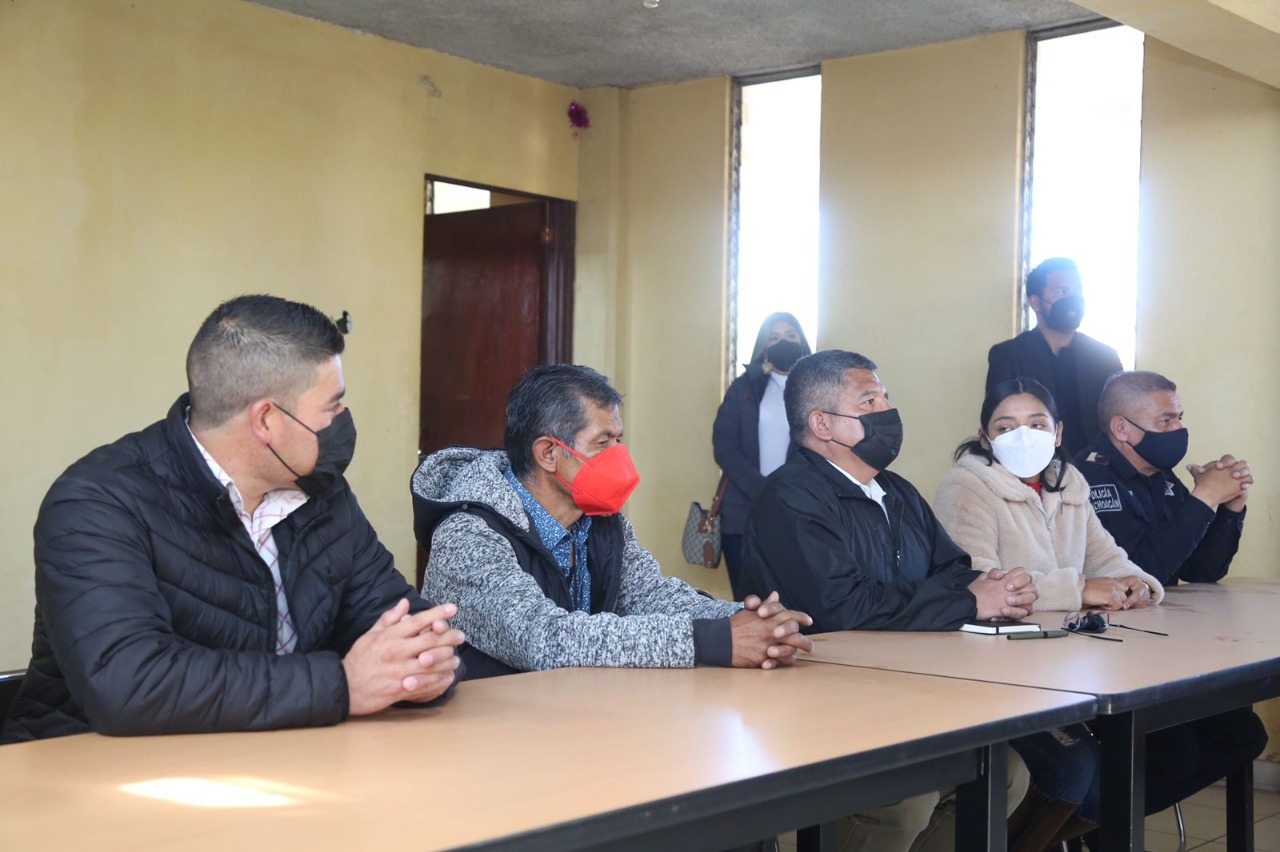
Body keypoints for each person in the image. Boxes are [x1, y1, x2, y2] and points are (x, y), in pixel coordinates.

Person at [2, 295, 464, 743]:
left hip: (283, 757)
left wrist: (425, 666)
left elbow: (403, 625)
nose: (343, 418)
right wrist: (342, 685)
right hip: (87, 769)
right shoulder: (97, 501)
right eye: (332, 405)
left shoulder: (322, 494)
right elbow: (126, 683)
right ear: (267, 421)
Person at [739, 350, 1038, 852]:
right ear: (822, 424)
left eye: (886, 398)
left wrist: (995, 591)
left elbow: (950, 571)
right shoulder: (790, 496)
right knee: (904, 801)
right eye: (869, 401)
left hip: (908, 685)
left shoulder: (896, 491)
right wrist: (969, 602)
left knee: (1004, 775)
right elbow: (841, 606)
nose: (887, 411)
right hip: (827, 694)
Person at [411, 364, 814, 681]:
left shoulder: (601, 519)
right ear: (549, 453)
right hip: (487, 735)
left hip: (575, 716)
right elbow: (541, 638)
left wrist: (749, 620)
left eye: (618, 439)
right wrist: (713, 640)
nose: (619, 456)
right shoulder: (467, 534)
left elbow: (649, 596)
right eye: (603, 443)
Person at [933, 378, 1162, 850]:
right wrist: (1078, 589)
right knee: (1075, 769)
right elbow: (979, 583)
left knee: (1119, 773)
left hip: (1063, 665)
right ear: (985, 437)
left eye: (1037, 424)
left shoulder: (1068, 481)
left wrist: (1137, 583)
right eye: (1006, 426)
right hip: (995, 671)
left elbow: (1106, 557)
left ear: (1058, 432)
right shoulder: (966, 486)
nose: (1023, 435)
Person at [1076, 370, 1266, 816]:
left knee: (1244, 734)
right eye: (1165, 421)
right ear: (1122, 428)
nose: (1178, 430)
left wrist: (1228, 507)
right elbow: (1143, 574)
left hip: (1161, 650)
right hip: (1108, 661)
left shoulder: (1160, 477)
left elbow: (1202, 570)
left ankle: (1106, 822)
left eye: (1179, 418)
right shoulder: (1090, 479)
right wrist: (1203, 498)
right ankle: (1097, 826)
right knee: (1177, 752)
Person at [712, 312, 812, 597]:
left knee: (797, 601)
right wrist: (762, 488)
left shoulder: (815, 391)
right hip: (743, 512)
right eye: (774, 337)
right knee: (749, 602)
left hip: (799, 512)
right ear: (764, 347)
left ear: (803, 343)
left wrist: (787, 490)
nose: (783, 342)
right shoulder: (744, 387)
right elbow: (724, 445)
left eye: (790, 336)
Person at [985, 258, 1122, 457]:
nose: (1073, 300)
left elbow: (1120, 421)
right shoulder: (1008, 355)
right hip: (1030, 465)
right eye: (1062, 292)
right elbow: (997, 421)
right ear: (1035, 303)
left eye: (1077, 291)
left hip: (1095, 468)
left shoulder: (1105, 357)